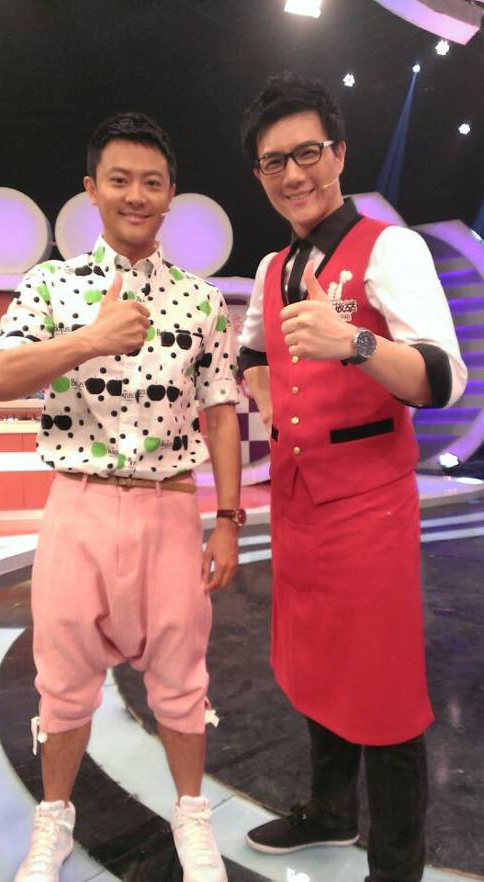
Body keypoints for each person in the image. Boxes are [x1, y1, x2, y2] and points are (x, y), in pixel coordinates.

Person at [0, 111, 245, 882]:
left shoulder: (200, 302)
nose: (137, 194)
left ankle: (191, 814)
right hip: (80, 503)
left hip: (170, 508)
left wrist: (227, 520)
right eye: (120, 179)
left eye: (152, 182)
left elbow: (221, 411)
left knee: (182, 675)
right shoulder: (50, 285)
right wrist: (89, 340)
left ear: (170, 195)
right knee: (62, 679)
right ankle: (54, 819)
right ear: (91, 190)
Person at [238, 73, 467, 882]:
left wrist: (357, 345)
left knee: (386, 688)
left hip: (369, 503)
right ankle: (331, 812)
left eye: (307, 153)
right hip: (298, 501)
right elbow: (251, 352)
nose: (293, 174)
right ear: (259, 175)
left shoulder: (389, 248)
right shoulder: (270, 267)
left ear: (338, 153)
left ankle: (395, 867)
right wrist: (269, 403)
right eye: (274, 162)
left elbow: (442, 379)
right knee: (315, 662)